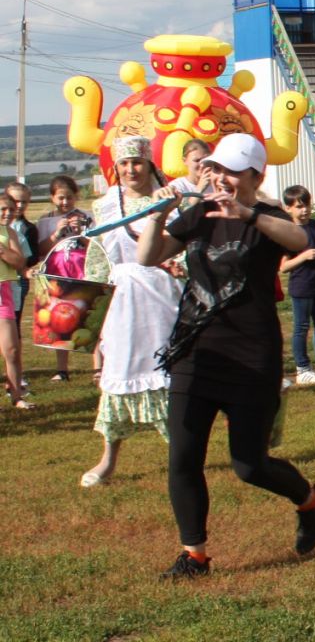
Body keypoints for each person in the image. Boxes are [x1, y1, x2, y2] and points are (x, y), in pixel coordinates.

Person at [134, 133, 315, 578]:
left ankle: (310, 500)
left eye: (231, 170)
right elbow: (149, 255)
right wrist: (159, 212)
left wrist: (249, 213)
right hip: (195, 350)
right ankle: (195, 554)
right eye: (215, 168)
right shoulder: (198, 214)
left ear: (255, 176)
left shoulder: (269, 216)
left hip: (251, 354)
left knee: (249, 464)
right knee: (183, 457)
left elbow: (299, 240)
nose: (219, 176)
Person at [82, 136, 180, 487]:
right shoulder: (104, 206)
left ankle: (180, 457)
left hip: (161, 301)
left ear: (148, 164)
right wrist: (93, 306)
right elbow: (97, 259)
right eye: (123, 164)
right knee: (118, 376)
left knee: (167, 376)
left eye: (136, 162)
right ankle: (108, 460)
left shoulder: (168, 202)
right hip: (122, 306)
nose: (130, 170)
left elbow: (182, 246)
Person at [279, 185, 315, 385]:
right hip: (302, 287)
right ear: (288, 209)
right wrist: (303, 256)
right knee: (301, 327)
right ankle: (302, 368)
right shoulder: (289, 232)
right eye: (299, 206)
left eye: (307, 205)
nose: (304, 210)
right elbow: (284, 267)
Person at [34, 175, 91, 383]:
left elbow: (95, 247)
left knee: (90, 319)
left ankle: (98, 367)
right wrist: (57, 232)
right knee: (60, 322)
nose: (65, 202)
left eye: (69, 197)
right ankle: (62, 369)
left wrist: (81, 232)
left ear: (76, 196)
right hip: (58, 275)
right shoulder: (46, 220)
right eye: (60, 198)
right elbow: (40, 250)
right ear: (52, 198)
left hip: (82, 273)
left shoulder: (87, 216)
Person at [0, 191, 26, 409]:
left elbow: (19, 262)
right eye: (2, 209)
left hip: (3, 292)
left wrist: (3, 251)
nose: (7, 213)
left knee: (11, 348)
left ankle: (17, 396)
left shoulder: (10, 232)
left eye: (10, 209)